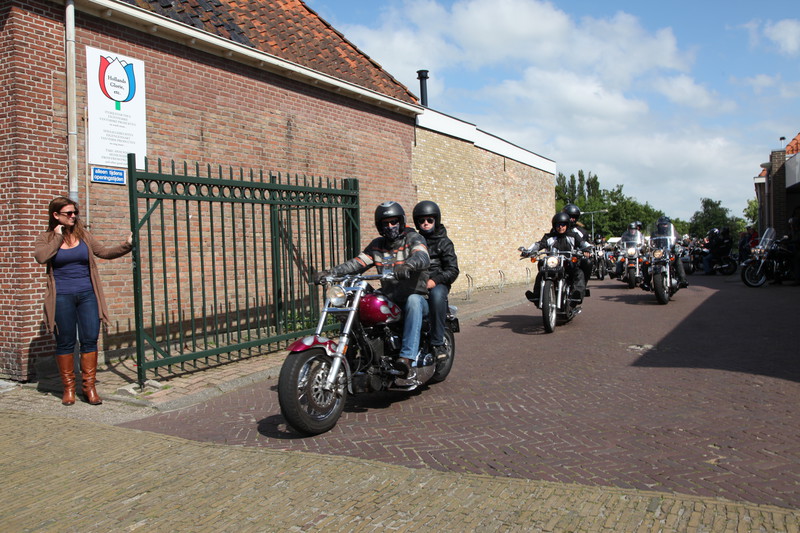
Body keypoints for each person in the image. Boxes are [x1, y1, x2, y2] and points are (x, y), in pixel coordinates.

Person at [33, 197, 133, 405]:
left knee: (90, 338)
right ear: (56, 215)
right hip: (62, 296)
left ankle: (89, 387)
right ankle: (69, 388)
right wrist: (58, 238)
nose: (73, 216)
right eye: (69, 213)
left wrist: (127, 245)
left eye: (75, 212)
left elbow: (103, 252)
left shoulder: (83, 235)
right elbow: (42, 257)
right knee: (65, 341)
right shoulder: (46, 238)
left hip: (87, 294)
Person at [315, 201, 430, 380]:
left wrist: (409, 265)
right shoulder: (377, 245)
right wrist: (331, 273)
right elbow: (357, 263)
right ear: (379, 226)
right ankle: (351, 354)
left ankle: (406, 358)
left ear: (401, 222)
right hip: (390, 296)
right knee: (362, 303)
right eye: (386, 223)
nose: (390, 226)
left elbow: (422, 256)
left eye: (394, 222)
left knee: (413, 301)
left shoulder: (413, 238)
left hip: (416, 296)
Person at [413, 201, 459, 360]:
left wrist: (434, 280)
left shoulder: (444, 242)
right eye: (422, 220)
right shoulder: (414, 240)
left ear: (436, 220)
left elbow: (453, 269)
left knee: (436, 296)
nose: (425, 223)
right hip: (417, 282)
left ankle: (438, 343)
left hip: (438, 283)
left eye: (430, 220)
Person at [522, 212, 592, 305]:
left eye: (563, 225)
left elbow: (583, 243)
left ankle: (577, 295)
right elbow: (539, 244)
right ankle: (537, 295)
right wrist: (528, 251)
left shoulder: (573, 236)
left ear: (567, 225)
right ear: (554, 226)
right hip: (553, 263)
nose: (560, 227)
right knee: (541, 272)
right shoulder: (549, 237)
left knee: (578, 273)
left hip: (568, 263)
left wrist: (587, 249)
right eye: (558, 225)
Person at [643, 215, 688, 289]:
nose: (663, 226)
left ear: (668, 225)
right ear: (658, 225)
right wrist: (646, 244)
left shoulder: (673, 232)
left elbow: (679, 238)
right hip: (658, 253)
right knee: (646, 262)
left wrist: (682, 241)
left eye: (665, 224)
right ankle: (646, 282)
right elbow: (651, 243)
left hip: (670, 252)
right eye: (661, 224)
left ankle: (683, 280)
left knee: (677, 259)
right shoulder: (654, 234)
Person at [562, 204, 592, 283]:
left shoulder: (581, 232)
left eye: (574, 217)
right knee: (542, 264)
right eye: (570, 216)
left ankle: (582, 285)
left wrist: (587, 250)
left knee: (587, 263)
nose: (572, 219)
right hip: (559, 257)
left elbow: (585, 243)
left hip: (574, 257)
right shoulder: (557, 229)